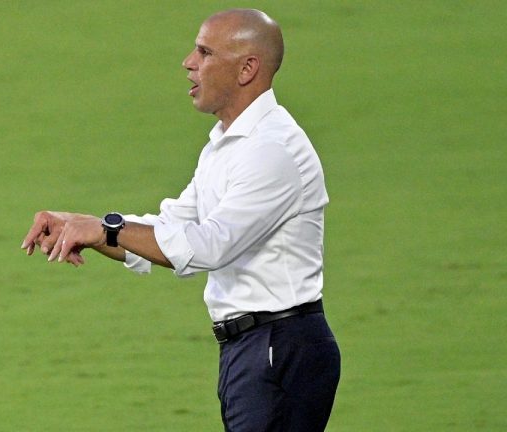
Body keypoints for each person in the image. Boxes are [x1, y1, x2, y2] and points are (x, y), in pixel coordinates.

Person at [20, 8, 340, 431]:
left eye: (205, 52)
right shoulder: (227, 146)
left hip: (278, 347)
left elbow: (206, 247)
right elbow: (170, 227)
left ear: (247, 68)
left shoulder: (271, 150)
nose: (188, 62)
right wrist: (87, 227)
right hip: (252, 348)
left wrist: (107, 228)